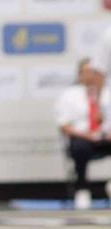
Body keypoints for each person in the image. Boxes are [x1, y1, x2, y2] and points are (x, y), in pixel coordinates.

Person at [54, 58, 111, 209]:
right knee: (79, 147)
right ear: (79, 74)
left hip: (105, 137)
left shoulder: (107, 93)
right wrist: (87, 135)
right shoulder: (69, 95)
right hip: (82, 138)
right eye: (87, 72)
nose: (91, 75)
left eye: (94, 72)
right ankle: (82, 188)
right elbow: (64, 125)